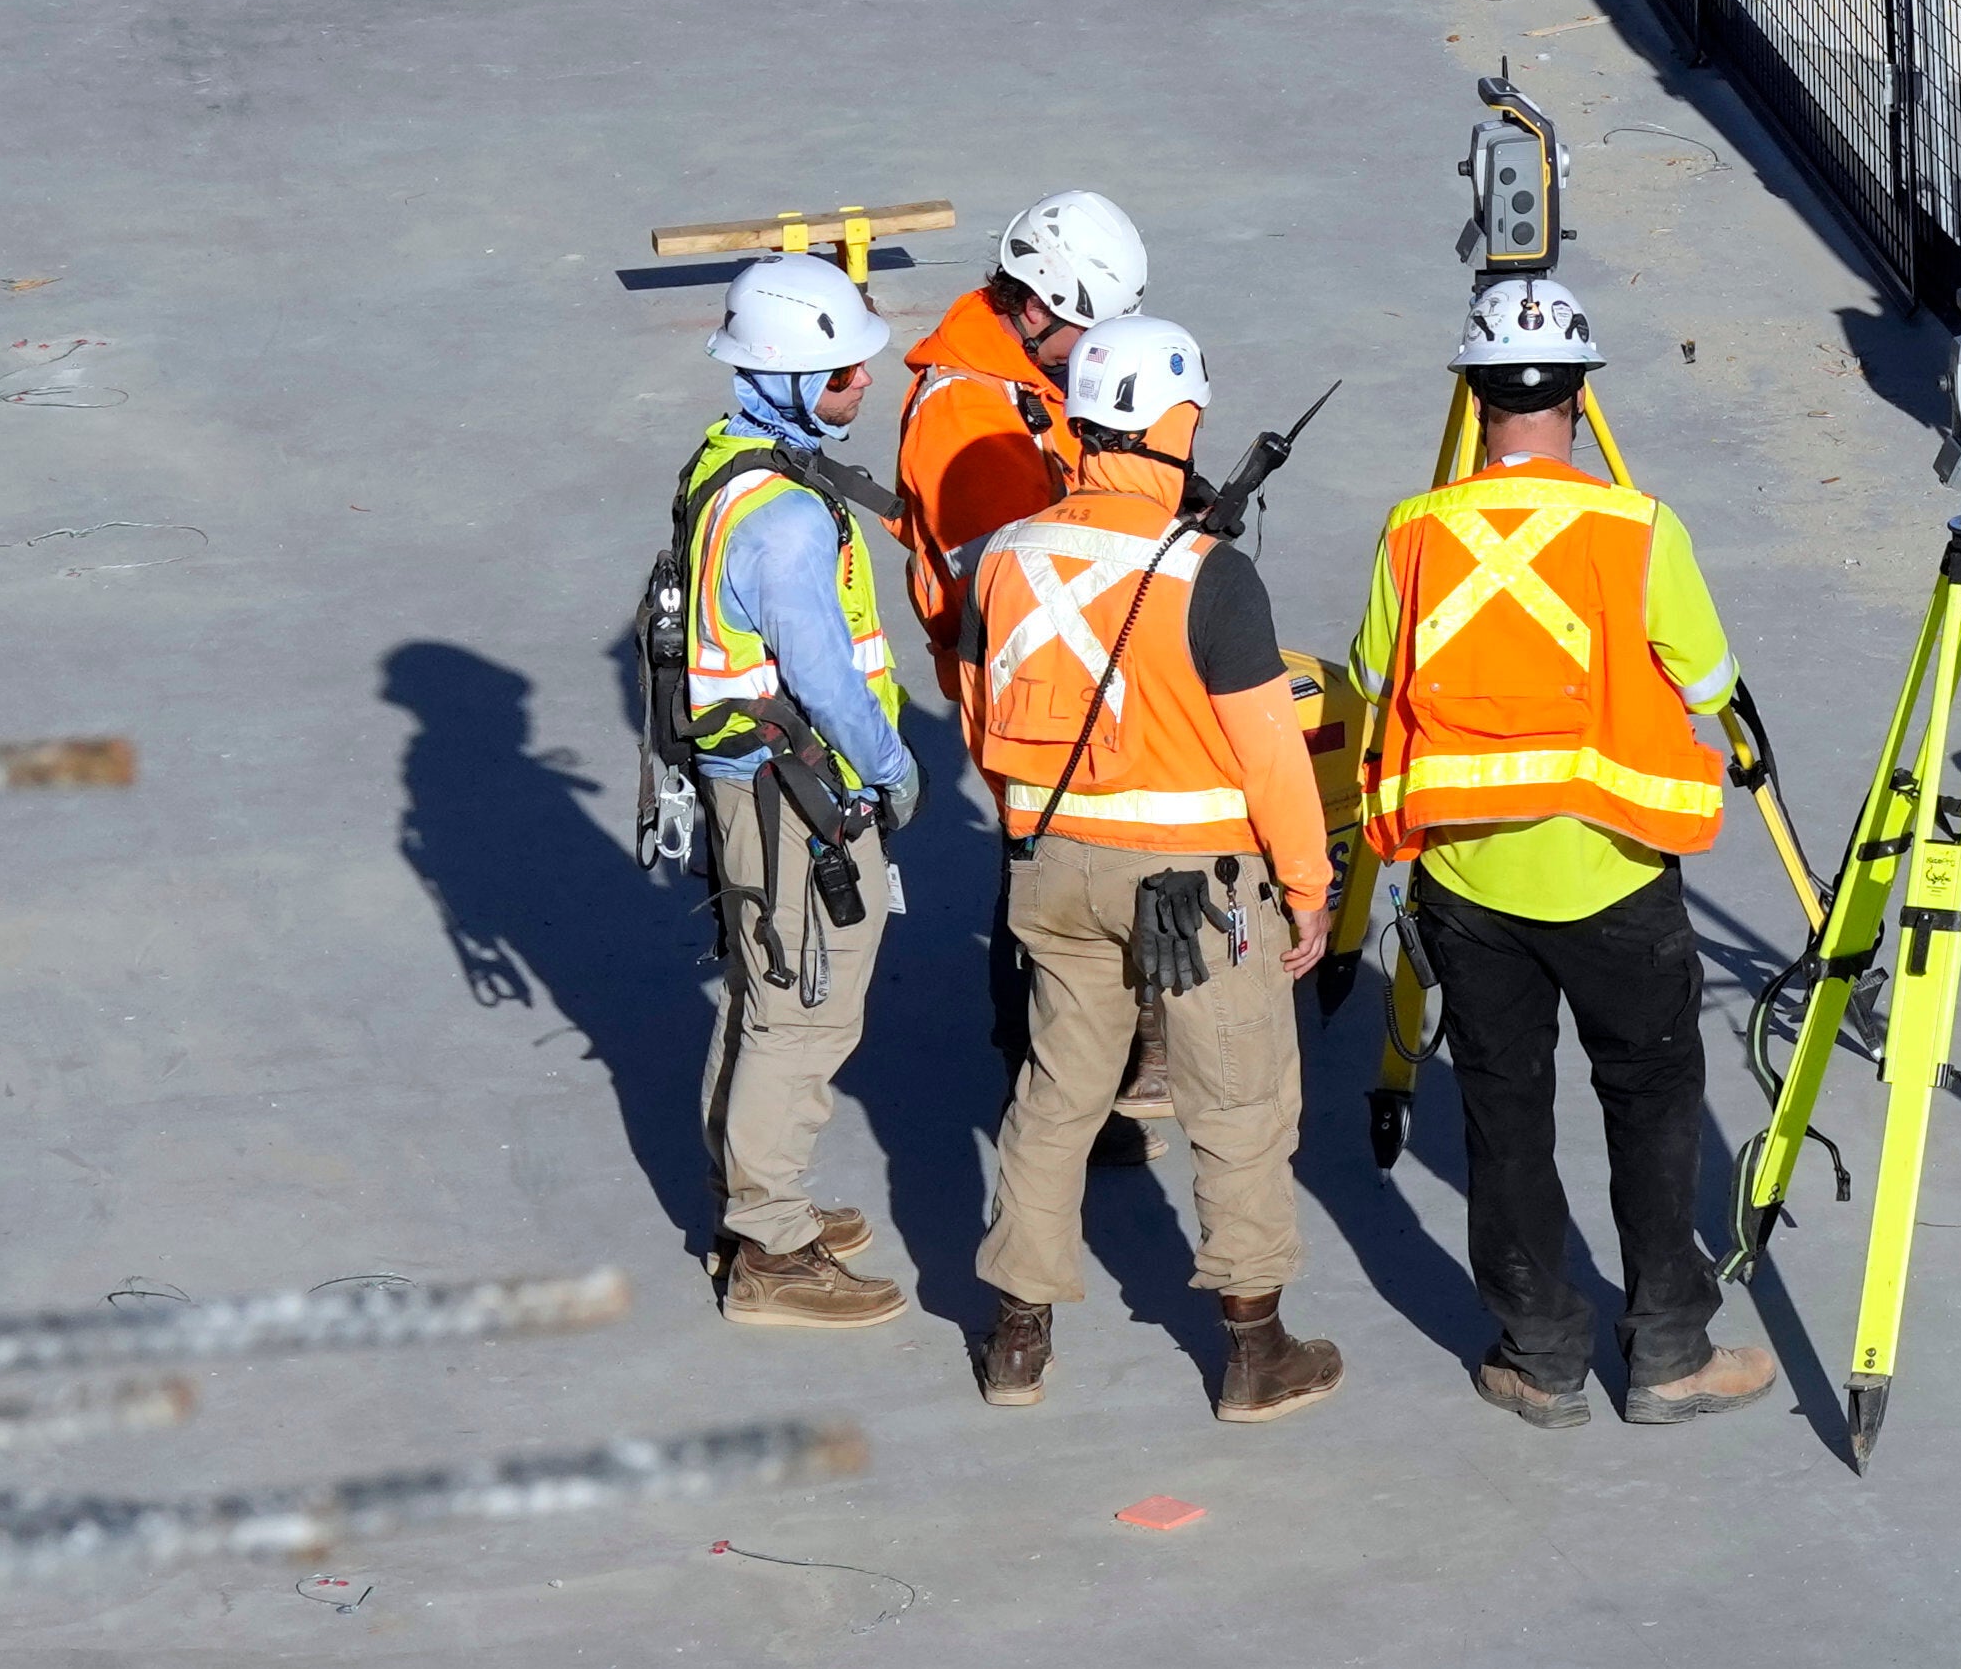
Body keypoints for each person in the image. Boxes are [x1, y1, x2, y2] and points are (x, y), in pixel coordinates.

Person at [1349, 277, 1768, 1428]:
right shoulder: (1638, 526)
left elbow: (1375, 678)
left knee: (1503, 1108)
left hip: (1471, 885)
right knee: (1651, 1099)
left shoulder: (1414, 530)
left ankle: (1540, 1357)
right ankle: (1672, 1349)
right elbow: (1709, 682)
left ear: (1474, 394)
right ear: (1580, 394)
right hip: (1616, 872)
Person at [957, 318, 1341, 1421]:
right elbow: (1272, 754)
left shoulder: (1005, 555)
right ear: (1176, 421)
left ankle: (1018, 1336)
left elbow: (984, 723)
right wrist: (1308, 890)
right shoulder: (1211, 574)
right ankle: (1256, 1348)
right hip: (1199, 888)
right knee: (1242, 1100)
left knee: (1056, 1092)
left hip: (1053, 866)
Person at [662, 255, 930, 1331]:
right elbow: (825, 677)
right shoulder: (784, 518)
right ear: (781, 378)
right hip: (798, 795)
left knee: (762, 989)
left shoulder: (729, 461)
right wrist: (896, 771)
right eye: (840, 376)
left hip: (752, 787)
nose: (863, 386)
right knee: (804, 1010)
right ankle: (769, 1244)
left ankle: (752, 1201)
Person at [895, 189, 1141, 588]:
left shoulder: (1037, 374)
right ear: (1036, 309)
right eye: (1092, 332)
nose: (1098, 351)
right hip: (1021, 642)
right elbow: (1014, 584)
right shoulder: (965, 416)